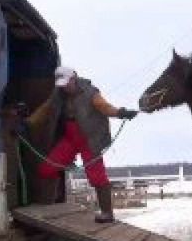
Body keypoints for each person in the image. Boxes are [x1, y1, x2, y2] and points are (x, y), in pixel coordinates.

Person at [25, 66, 138, 223]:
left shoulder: (91, 93)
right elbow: (45, 109)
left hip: (89, 139)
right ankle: (48, 206)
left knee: (97, 176)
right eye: (61, 84)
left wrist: (121, 113)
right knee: (47, 168)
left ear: (74, 78)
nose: (64, 87)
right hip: (70, 138)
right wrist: (27, 124)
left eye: (66, 83)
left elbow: (105, 107)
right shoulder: (58, 95)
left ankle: (107, 213)